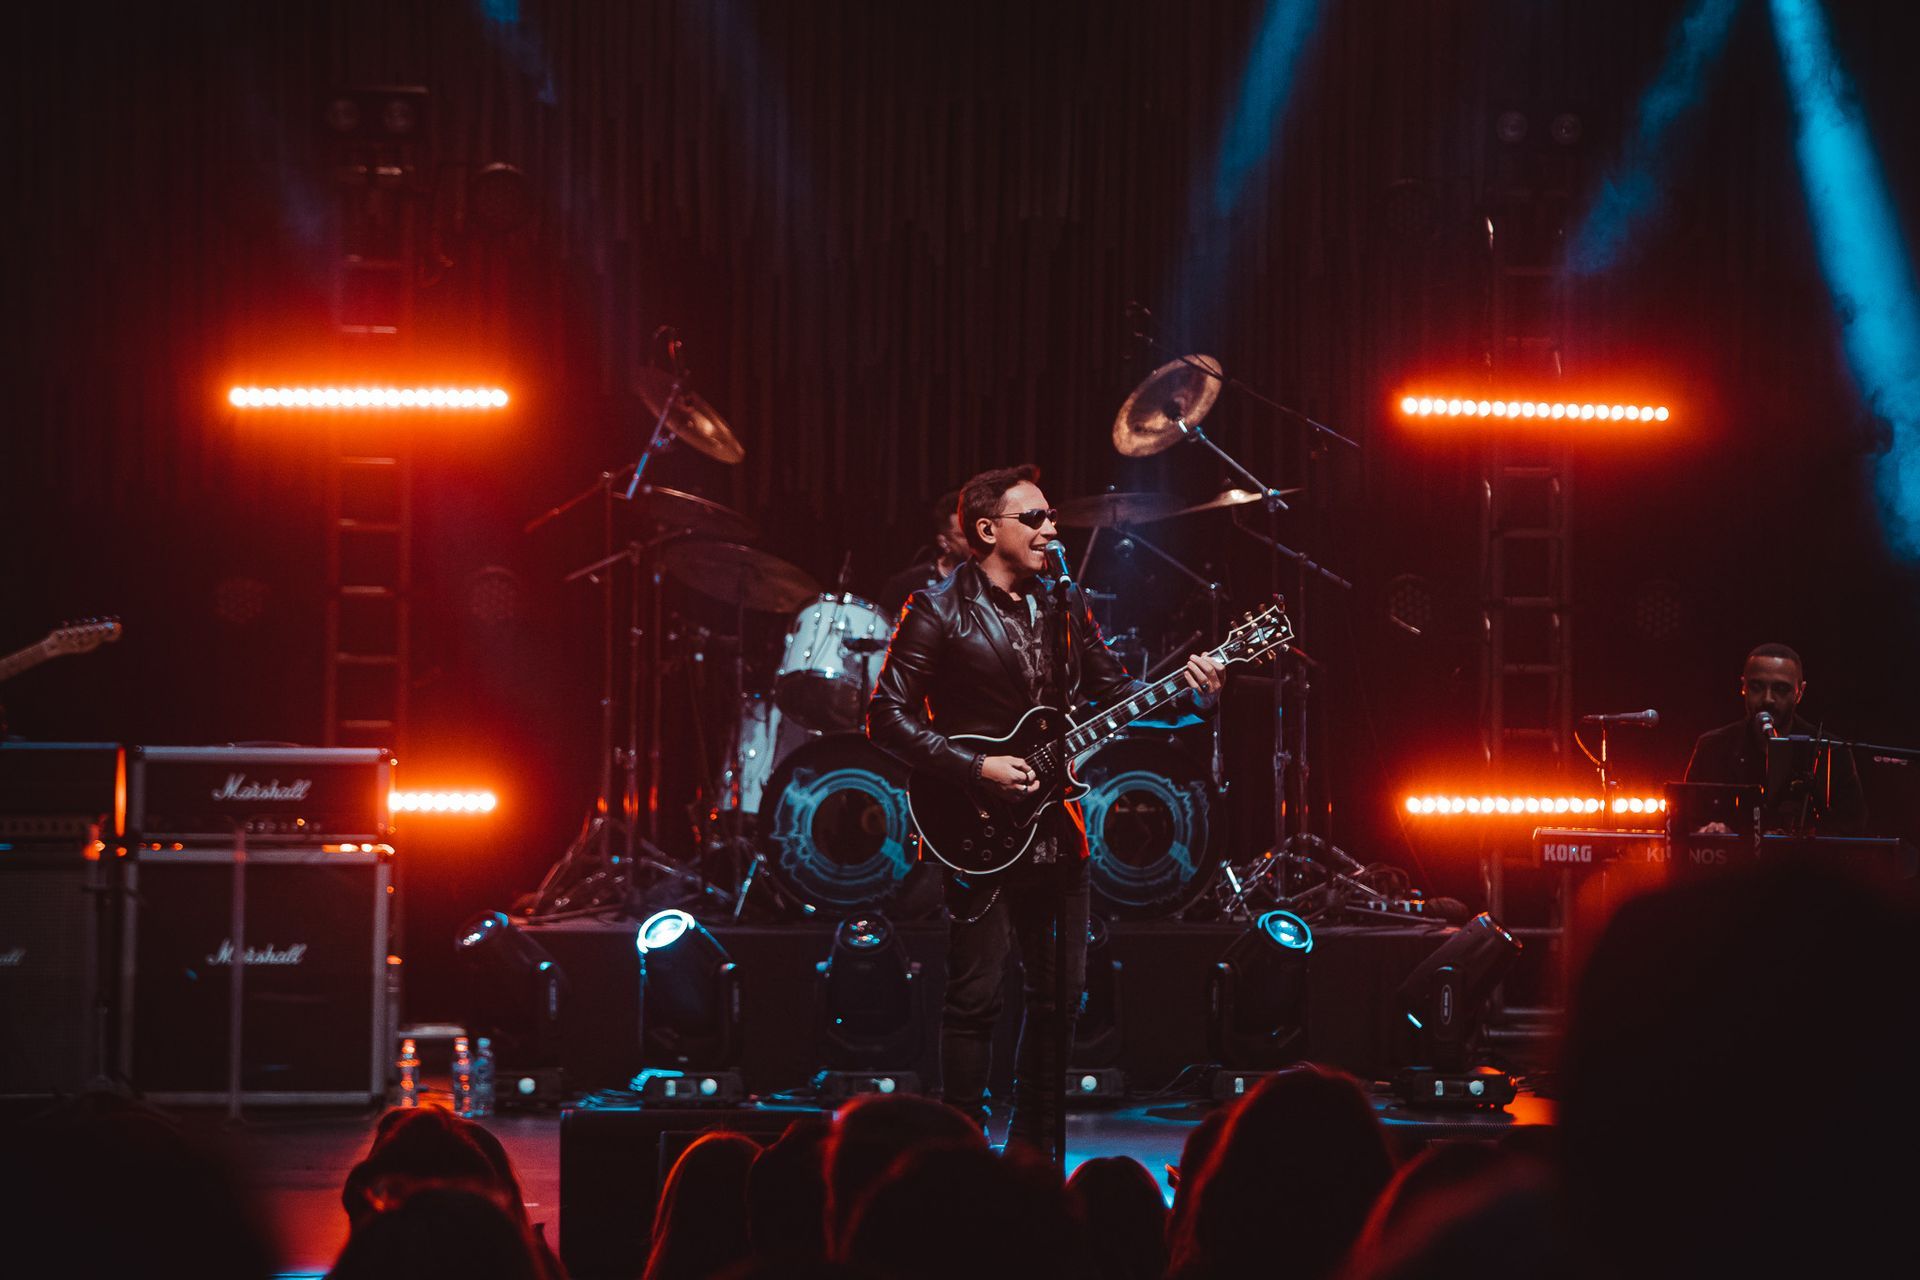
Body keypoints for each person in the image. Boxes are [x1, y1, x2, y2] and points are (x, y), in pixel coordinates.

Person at [866, 465, 1224, 1156]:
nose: (1051, 529)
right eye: (1034, 518)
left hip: (1057, 828)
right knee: (975, 997)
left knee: (1062, 998)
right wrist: (977, 768)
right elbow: (886, 717)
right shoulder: (936, 608)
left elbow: (1118, 696)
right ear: (986, 529)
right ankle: (963, 1152)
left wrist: (1195, 695)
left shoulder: (1065, 602)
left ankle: (1033, 1152)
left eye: (1052, 517)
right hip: (974, 823)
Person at [1682, 642, 1865, 833]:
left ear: (1800, 692)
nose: (1768, 699)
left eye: (1781, 689)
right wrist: (1707, 831)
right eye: (1757, 687)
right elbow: (1684, 822)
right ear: (1743, 687)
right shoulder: (1712, 747)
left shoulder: (1833, 750)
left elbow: (1852, 829)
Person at [877, 488, 969, 614]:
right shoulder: (907, 585)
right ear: (944, 542)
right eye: (964, 535)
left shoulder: (989, 580)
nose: (975, 540)